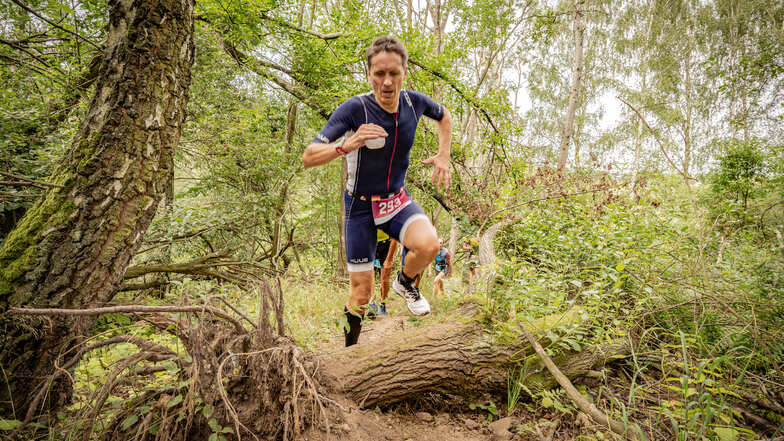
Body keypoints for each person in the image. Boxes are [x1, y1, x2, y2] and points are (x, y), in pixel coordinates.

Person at [301, 36, 452, 347]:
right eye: (379, 74)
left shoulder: (414, 102)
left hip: (396, 199)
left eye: (393, 73)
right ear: (369, 75)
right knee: (361, 292)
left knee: (430, 245)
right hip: (360, 207)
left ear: (404, 73)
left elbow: (444, 117)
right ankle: (350, 352)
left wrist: (444, 155)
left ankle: (405, 282)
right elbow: (309, 156)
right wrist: (346, 145)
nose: (386, 82)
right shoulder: (354, 109)